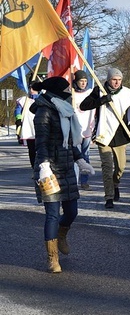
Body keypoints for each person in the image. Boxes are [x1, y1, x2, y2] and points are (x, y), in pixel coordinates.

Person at [30, 77, 95, 273]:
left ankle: (61, 234)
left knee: (72, 212)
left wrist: (80, 159)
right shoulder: (43, 112)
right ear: (57, 90)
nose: (69, 89)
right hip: (48, 169)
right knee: (52, 214)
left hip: (66, 167)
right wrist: (43, 165)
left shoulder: (64, 109)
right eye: (66, 87)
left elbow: (69, 141)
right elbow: (40, 143)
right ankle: (52, 258)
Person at [80, 67, 130, 209]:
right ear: (108, 80)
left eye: (119, 80)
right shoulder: (100, 90)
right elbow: (84, 106)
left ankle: (115, 184)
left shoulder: (127, 93)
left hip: (120, 135)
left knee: (120, 167)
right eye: (114, 80)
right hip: (103, 135)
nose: (117, 83)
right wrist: (102, 100)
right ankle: (108, 196)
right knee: (107, 167)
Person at [71, 70, 95, 190]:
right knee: (77, 157)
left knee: (86, 156)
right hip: (75, 131)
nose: (83, 83)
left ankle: (84, 181)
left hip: (87, 129)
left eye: (85, 81)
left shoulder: (90, 93)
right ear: (76, 81)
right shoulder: (71, 94)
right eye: (81, 81)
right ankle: (75, 181)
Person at [15, 84, 39, 168]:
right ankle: (34, 168)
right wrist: (18, 120)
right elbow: (18, 111)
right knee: (32, 150)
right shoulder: (23, 100)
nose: (32, 90)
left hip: (41, 128)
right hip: (29, 128)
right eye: (30, 88)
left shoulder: (42, 99)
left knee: (41, 151)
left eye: (34, 88)